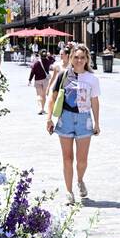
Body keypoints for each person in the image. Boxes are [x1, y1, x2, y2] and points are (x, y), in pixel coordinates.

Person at [46, 42, 101, 204]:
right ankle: (69, 192)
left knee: (82, 160)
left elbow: (95, 101)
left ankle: (80, 180)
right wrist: (49, 118)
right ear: (70, 58)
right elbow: (53, 97)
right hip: (66, 118)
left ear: (87, 59)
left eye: (82, 58)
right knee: (67, 158)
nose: (79, 60)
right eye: (76, 57)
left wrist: (97, 123)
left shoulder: (92, 78)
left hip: (84, 119)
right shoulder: (63, 75)